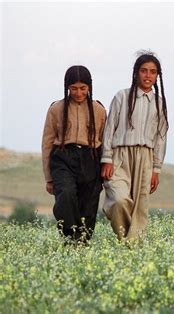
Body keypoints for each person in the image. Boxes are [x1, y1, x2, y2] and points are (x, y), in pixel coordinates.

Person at [101, 52, 168, 242]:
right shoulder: (122, 96)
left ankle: (132, 249)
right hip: (120, 156)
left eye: (153, 72)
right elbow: (109, 128)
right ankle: (125, 238)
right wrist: (106, 158)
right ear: (136, 73)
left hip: (145, 158)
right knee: (119, 200)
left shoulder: (160, 103)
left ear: (157, 76)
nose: (148, 76)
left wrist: (156, 168)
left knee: (139, 207)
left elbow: (160, 138)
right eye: (144, 71)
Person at [41, 65, 106, 245]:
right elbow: (47, 143)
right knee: (66, 195)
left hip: (90, 158)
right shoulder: (56, 109)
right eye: (74, 88)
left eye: (83, 88)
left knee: (89, 202)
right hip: (63, 157)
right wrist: (49, 178)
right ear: (67, 87)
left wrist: (106, 165)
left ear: (89, 87)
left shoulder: (99, 110)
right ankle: (70, 238)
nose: (78, 93)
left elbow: (105, 140)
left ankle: (83, 243)